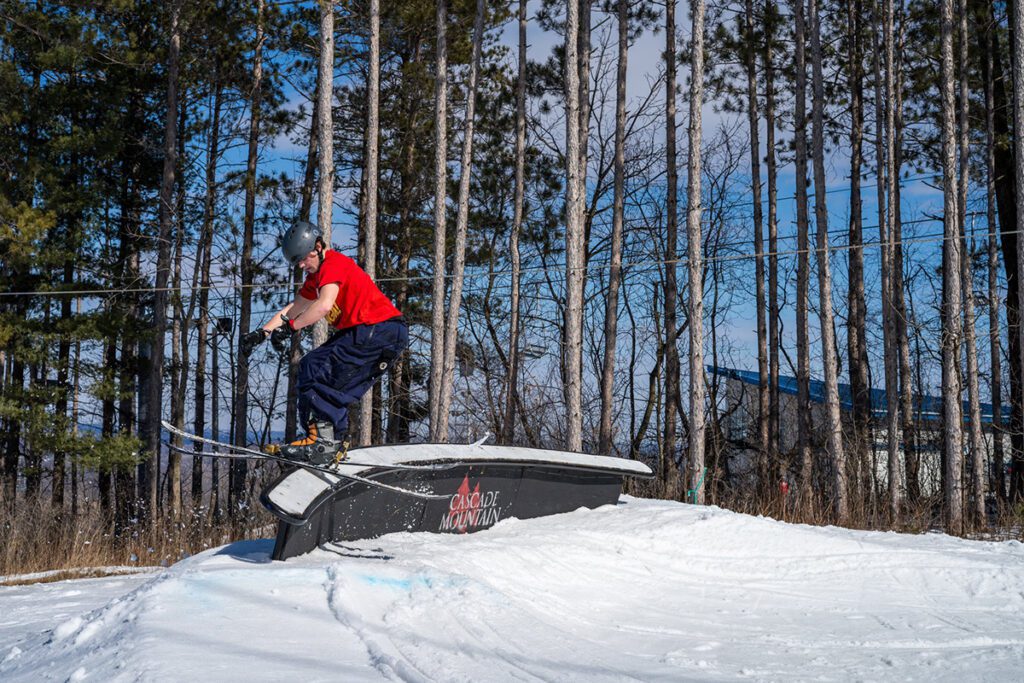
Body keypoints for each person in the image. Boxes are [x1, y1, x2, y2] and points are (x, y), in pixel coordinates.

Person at [240, 221, 407, 464]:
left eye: (303, 259)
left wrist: (291, 328)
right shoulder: (315, 277)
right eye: (296, 262)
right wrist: (263, 333)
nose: (301, 265)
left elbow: (324, 305)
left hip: (379, 329)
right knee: (324, 378)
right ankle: (330, 442)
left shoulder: (333, 264)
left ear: (318, 247)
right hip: (374, 333)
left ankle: (323, 442)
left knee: (314, 367)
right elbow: (294, 308)